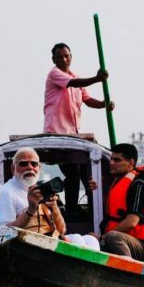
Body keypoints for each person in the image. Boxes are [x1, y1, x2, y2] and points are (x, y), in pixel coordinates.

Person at [44, 42, 115, 207]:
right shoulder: (55, 74)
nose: (64, 59)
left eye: (66, 56)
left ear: (71, 57)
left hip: (73, 135)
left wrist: (104, 104)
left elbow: (88, 100)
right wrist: (97, 79)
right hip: (57, 134)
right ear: (54, 59)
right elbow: (74, 84)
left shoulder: (74, 76)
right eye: (60, 56)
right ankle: (71, 208)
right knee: (72, 173)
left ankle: (94, 206)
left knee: (85, 172)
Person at [0, 147, 100, 250]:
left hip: (50, 242)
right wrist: (30, 210)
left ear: (39, 168)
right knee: (78, 240)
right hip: (27, 247)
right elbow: (3, 234)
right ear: (13, 168)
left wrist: (54, 207)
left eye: (34, 164)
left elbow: (62, 230)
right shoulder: (6, 193)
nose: (30, 167)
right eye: (23, 164)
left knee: (91, 240)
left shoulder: (40, 190)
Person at [93, 143, 144, 261]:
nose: (111, 163)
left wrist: (103, 237)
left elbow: (132, 222)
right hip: (127, 240)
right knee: (92, 237)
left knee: (113, 237)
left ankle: (129, 270)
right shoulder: (118, 180)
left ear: (130, 163)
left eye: (117, 160)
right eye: (111, 159)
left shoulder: (139, 184)